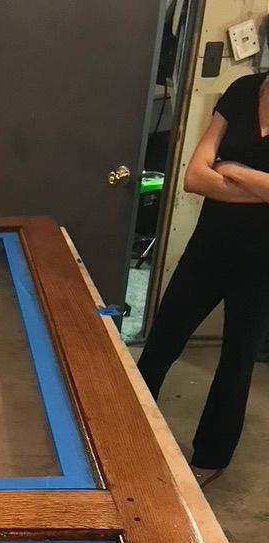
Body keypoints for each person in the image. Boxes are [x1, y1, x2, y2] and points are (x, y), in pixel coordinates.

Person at [137, 72, 269, 486]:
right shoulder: (244, 90)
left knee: (236, 361)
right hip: (209, 247)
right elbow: (195, 177)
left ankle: (211, 457)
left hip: (263, 263)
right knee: (161, 342)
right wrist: (260, 186)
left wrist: (232, 172)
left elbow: (213, 171)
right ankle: (125, 424)